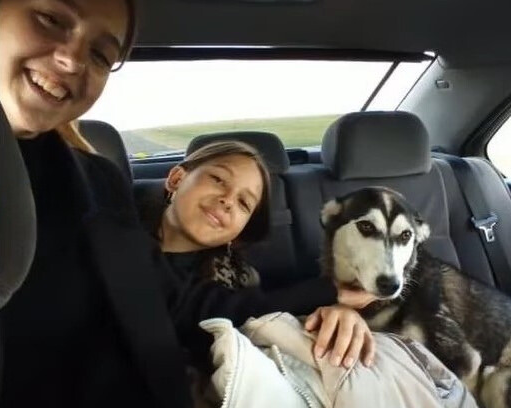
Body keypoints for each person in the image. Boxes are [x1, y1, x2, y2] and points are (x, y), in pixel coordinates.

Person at [0, 0, 372, 408]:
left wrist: (333, 296)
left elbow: (179, 307)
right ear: (176, 180)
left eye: (101, 55)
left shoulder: (95, 184)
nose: (69, 60)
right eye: (50, 19)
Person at [139, 139, 376, 375]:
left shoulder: (233, 282)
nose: (228, 200)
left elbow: (244, 315)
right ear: (177, 179)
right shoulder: (116, 236)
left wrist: (340, 309)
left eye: (244, 203)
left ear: (237, 234)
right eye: (218, 179)